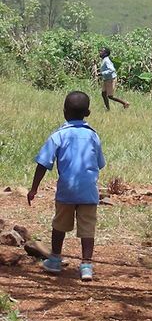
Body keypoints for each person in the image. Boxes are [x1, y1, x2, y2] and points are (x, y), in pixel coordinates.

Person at [27, 91, 106, 281]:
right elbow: (100, 163)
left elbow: (43, 163)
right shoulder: (93, 136)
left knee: (60, 225)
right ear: (88, 113)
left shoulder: (58, 136)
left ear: (64, 111)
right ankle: (86, 265)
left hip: (66, 190)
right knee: (88, 229)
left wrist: (34, 188)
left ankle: (54, 260)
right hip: (88, 191)